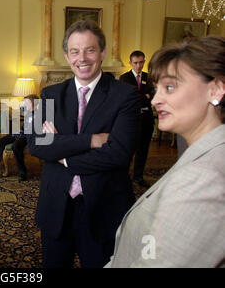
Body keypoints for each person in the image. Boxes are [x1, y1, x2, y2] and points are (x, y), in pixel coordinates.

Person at [27, 20, 140, 268]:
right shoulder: (50, 94)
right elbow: (36, 145)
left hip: (104, 207)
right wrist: (90, 140)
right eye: (75, 51)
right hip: (57, 207)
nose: (83, 58)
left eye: (90, 50)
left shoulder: (126, 96)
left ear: (103, 52)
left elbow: (118, 154)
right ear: (67, 56)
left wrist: (61, 153)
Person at [106, 36, 225, 267]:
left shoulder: (203, 178)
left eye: (169, 87)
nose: (156, 100)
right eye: (157, 88)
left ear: (216, 89)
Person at [0, 94, 39, 182]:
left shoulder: (39, 114)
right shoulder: (27, 113)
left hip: (29, 136)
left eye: (26, 102)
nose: (24, 104)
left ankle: (22, 172)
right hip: (21, 133)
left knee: (16, 146)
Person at [120, 51, 155, 188]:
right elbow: (130, 97)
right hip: (131, 121)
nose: (139, 65)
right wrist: (144, 96)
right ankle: (122, 177)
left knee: (143, 150)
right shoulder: (125, 78)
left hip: (146, 119)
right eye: (135, 63)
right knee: (128, 149)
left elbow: (153, 95)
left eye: (141, 62)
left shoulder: (149, 77)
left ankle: (138, 176)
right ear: (130, 63)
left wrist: (145, 96)